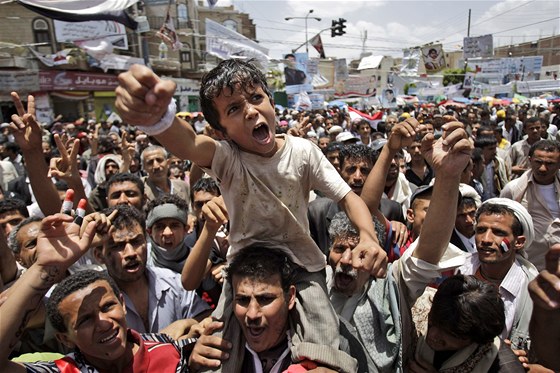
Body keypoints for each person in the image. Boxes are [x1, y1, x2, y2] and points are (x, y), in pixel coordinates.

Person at [115, 59, 386, 372]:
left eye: (256, 98)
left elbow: (348, 197)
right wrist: (159, 120)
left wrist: (367, 235)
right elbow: (188, 144)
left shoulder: (303, 152)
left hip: (301, 265)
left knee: (324, 344)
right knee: (220, 351)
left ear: (271, 101)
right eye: (233, 109)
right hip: (243, 270)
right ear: (221, 132)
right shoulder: (227, 158)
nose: (250, 111)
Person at [0, 213, 193, 372]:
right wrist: (43, 269)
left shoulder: (173, 349)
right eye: (84, 320)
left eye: (108, 306)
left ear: (122, 304)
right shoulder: (64, 370)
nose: (103, 323)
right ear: (64, 338)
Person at [188, 246, 364, 372]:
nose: (252, 314)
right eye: (242, 300)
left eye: (265, 299)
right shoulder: (214, 348)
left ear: (290, 297)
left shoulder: (339, 343)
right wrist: (191, 367)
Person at [93, 204, 210, 336]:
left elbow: (206, 317)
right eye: (118, 246)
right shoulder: (93, 298)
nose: (131, 253)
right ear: (99, 256)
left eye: (136, 242)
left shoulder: (173, 282)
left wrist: (185, 323)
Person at [457, 198, 539, 350]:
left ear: (519, 242)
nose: (486, 239)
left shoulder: (531, 292)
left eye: (498, 232)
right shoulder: (458, 270)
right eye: (481, 230)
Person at [500, 139, 560, 271]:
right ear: (529, 160)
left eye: (550, 164)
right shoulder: (513, 189)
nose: (543, 168)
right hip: (529, 265)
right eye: (538, 162)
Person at [145, 193, 196, 273]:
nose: (167, 233)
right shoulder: (142, 259)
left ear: (185, 230)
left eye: (174, 226)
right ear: (150, 232)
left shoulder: (198, 259)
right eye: (160, 227)